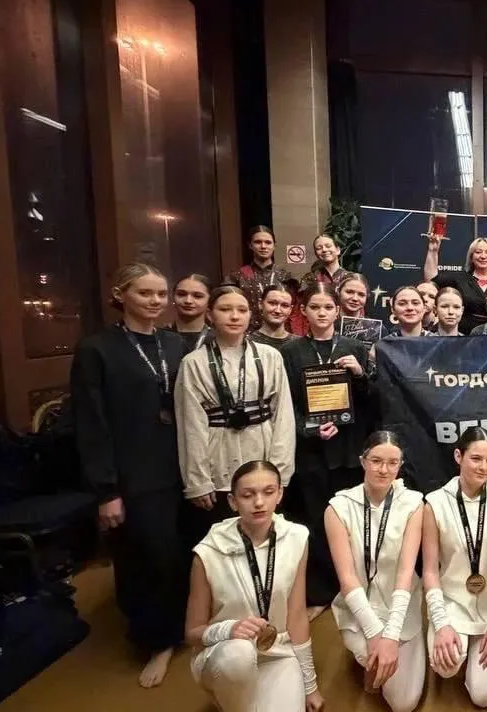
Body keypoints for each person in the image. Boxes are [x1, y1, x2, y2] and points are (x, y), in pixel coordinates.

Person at [71, 263, 188, 687]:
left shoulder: (174, 344)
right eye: (145, 293)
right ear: (121, 295)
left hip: (181, 465)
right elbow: (91, 424)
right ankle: (156, 641)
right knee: (145, 558)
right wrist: (106, 490)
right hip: (132, 471)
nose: (156, 301)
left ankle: (183, 626)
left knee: (178, 554)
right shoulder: (97, 349)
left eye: (161, 293)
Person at [186, 461, 324, 712]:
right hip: (225, 652)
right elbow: (192, 632)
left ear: (280, 494)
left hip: (278, 649)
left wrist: (310, 684)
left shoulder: (296, 537)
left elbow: (296, 616)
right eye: (248, 495)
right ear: (232, 501)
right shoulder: (208, 551)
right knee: (239, 656)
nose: (259, 502)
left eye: (268, 492)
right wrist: (229, 629)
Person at [281, 283, 374, 618]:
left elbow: (372, 402)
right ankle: (321, 592)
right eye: (315, 307)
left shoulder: (355, 348)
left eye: (327, 308)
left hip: (348, 450)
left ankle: (358, 586)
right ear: (303, 311)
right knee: (316, 522)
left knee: (353, 521)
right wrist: (309, 428)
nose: (321, 313)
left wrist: (360, 374)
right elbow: (286, 403)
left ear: (338, 311)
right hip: (312, 451)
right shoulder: (291, 352)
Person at [175, 286, 295, 531]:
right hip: (218, 460)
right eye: (225, 309)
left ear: (250, 314)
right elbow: (191, 426)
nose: (234, 316)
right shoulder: (194, 363)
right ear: (210, 314)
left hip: (262, 450)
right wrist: (198, 482)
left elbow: (283, 416)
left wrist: (280, 470)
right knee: (223, 535)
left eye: (241, 310)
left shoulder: (270, 357)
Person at [327, 432, 426, 712]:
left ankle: (405, 644)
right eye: (376, 461)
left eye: (392, 463)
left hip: (399, 606)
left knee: (403, 704)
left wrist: (391, 635)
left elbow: (405, 573)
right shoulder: (338, 508)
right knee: (372, 659)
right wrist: (374, 634)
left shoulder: (413, 503)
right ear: (363, 461)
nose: (384, 469)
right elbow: (347, 578)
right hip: (358, 609)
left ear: (400, 465)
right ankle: (366, 655)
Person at [422, 428, 487, 707]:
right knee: (446, 666)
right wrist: (441, 623)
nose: (483, 467)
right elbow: (430, 571)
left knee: (482, 697)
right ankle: (459, 645)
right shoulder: (435, 502)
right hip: (454, 604)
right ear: (458, 456)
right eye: (476, 458)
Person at [424, 235, 487, 334]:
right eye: (478, 252)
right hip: (464, 337)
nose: (483, 256)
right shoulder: (459, 279)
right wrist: (433, 250)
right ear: (471, 257)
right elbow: (431, 281)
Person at [224, 225, 295, 330]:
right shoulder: (237, 276)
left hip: (281, 332)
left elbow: (295, 312)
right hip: (248, 333)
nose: (263, 246)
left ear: (274, 246)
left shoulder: (287, 277)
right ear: (250, 245)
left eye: (268, 242)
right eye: (258, 242)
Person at [170, 274, 213, 354]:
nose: (188, 301)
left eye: (197, 296)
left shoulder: (218, 338)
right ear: (173, 297)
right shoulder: (158, 337)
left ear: (210, 301)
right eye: (181, 294)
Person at [250, 285, 294, 350]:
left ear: (290, 310)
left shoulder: (300, 344)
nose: (278, 311)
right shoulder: (247, 343)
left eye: (284, 305)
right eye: (272, 303)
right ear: (261, 304)